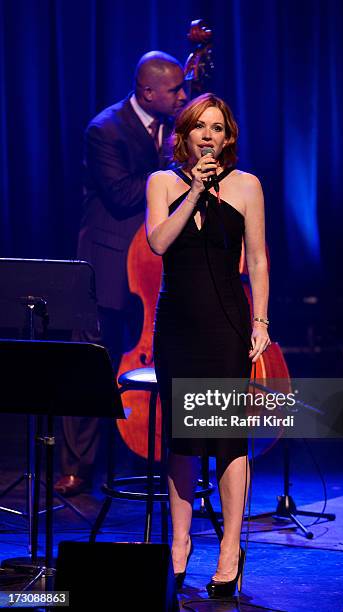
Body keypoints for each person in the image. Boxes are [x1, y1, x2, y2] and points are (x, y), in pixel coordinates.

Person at [146, 93, 271, 597]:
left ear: (227, 138)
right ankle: (180, 544)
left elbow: (258, 260)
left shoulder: (247, 187)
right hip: (177, 324)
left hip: (227, 326)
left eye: (217, 128)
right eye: (200, 126)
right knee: (183, 440)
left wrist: (260, 320)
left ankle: (229, 547)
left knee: (226, 440)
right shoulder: (163, 182)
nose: (208, 135)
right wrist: (194, 193)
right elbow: (158, 242)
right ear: (185, 135)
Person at [54, 51, 187, 497]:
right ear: (148, 92)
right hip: (110, 262)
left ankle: (150, 454)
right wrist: (175, 166)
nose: (183, 96)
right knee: (92, 360)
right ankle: (76, 466)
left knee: (155, 356)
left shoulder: (176, 123)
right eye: (175, 90)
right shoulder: (104, 130)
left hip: (155, 265)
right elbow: (123, 194)